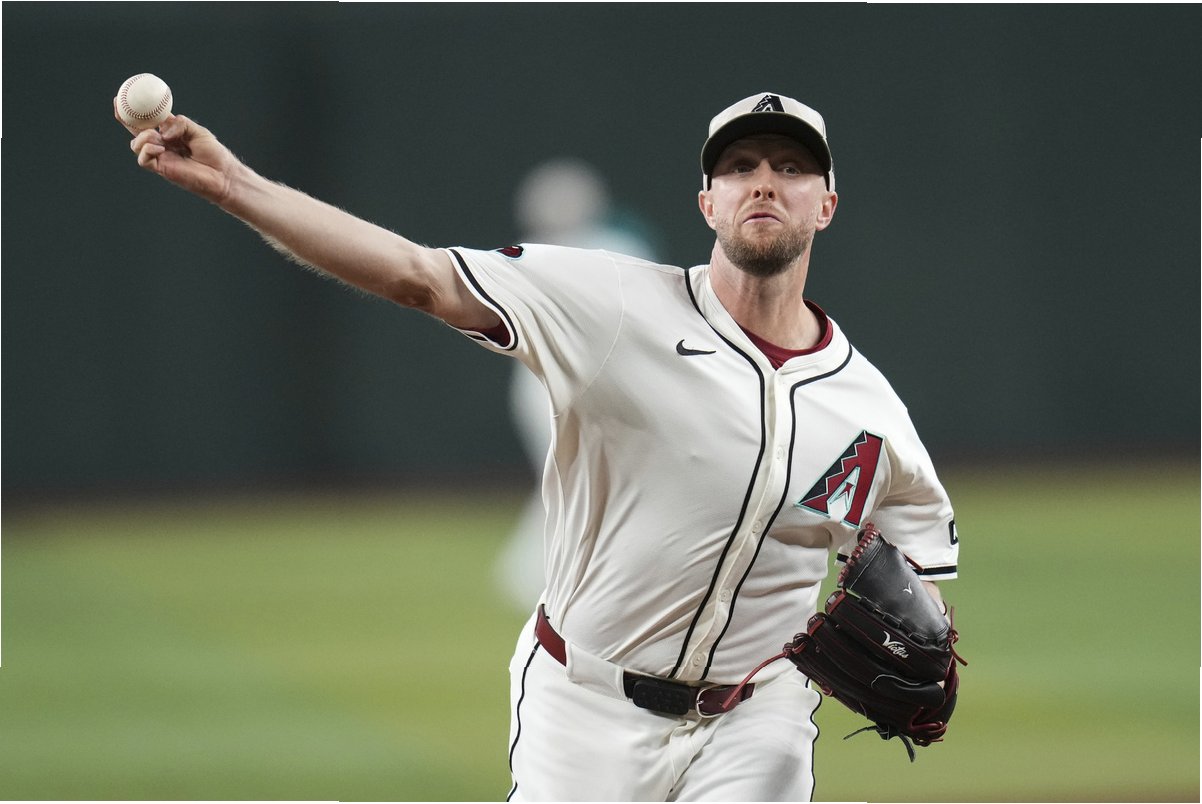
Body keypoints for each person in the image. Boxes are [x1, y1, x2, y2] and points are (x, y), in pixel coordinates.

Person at [118, 90, 959, 802]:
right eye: (739, 167)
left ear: (826, 205)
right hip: (585, 706)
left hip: (757, 721)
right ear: (708, 203)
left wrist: (920, 620)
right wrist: (235, 185)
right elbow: (419, 275)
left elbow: (916, 551)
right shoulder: (613, 303)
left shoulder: (869, 411)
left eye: (791, 167)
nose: (764, 182)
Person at [497, 158, 661, 613]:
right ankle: (535, 575)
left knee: (587, 478)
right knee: (566, 476)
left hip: (599, 381)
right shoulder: (528, 258)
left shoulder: (617, 247)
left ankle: (540, 574)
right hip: (543, 382)